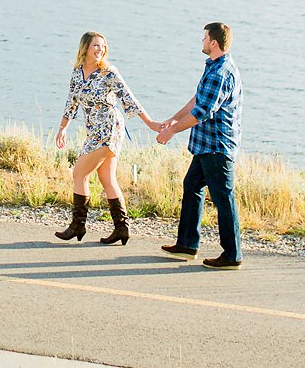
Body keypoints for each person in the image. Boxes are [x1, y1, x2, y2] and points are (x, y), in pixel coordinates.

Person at [52, 31, 160, 245]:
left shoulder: (109, 72)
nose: (100, 50)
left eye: (102, 46)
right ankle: (121, 228)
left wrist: (150, 123)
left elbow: (128, 97)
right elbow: (71, 102)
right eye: (96, 46)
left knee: (79, 174)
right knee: (107, 179)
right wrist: (62, 128)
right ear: (85, 48)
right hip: (94, 130)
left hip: (109, 129)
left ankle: (78, 225)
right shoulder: (77, 73)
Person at [154, 22, 241, 269]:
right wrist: (173, 117)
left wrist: (171, 131)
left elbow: (202, 111)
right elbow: (197, 98)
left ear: (214, 42)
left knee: (224, 198)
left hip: (217, 146)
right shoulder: (213, 67)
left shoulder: (221, 72)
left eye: (204, 38)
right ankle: (187, 244)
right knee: (192, 185)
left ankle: (232, 255)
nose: (201, 42)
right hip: (205, 145)